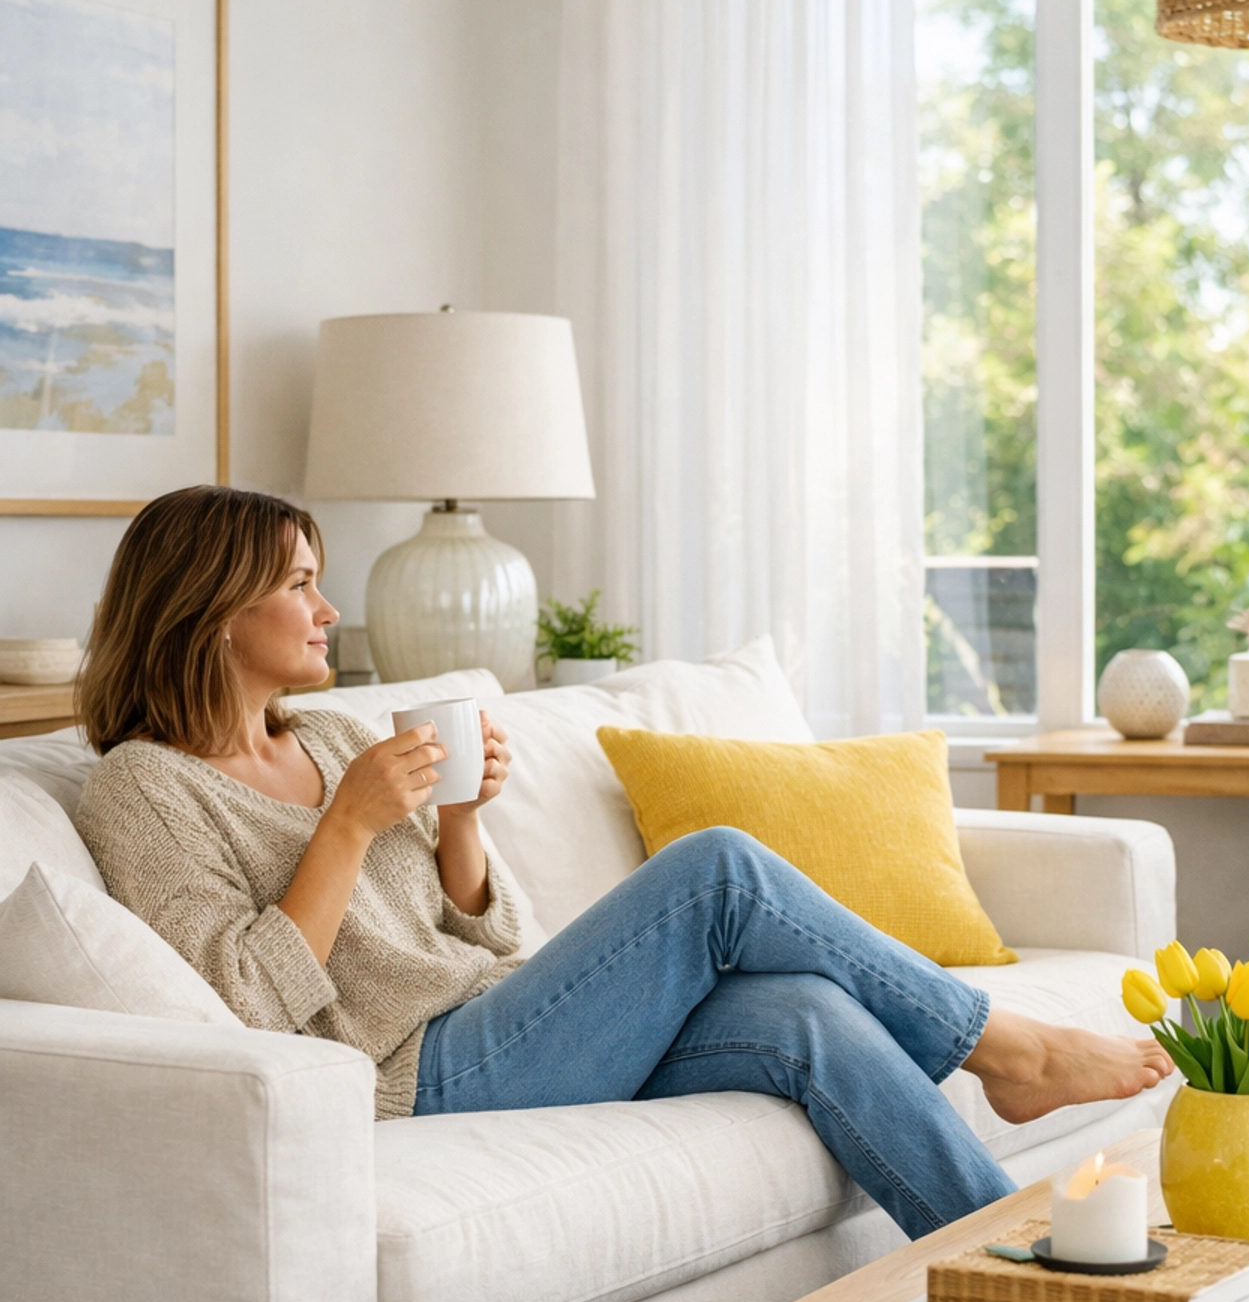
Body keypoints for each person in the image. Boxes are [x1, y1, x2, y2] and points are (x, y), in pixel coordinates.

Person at [76, 486, 1171, 1242]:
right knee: (721, 873)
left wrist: (460, 819)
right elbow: (241, 1007)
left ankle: (1019, 1270)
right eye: (300, 585)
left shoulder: (319, 740)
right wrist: (348, 830)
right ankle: (1006, 1051)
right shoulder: (145, 785)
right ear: (213, 610)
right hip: (404, 1079)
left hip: (494, 1018)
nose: (328, 611)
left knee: (803, 1015)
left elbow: (478, 937)